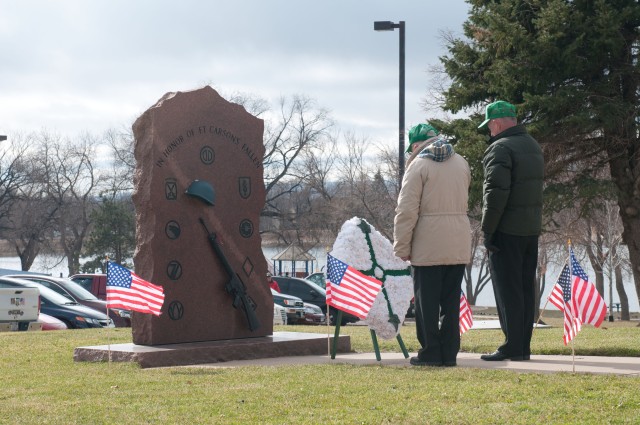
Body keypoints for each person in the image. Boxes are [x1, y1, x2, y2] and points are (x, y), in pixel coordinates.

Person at [394, 124, 471, 367]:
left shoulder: (418, 166)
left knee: (426, 304)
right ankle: (449, 354)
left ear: (416, 146)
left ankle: (430, 352)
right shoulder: (461, 162)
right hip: (457, 242)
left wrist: (401, 247)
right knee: (450, 303)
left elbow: (406, 211)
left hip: (428, 246)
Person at [478, 100, 544, 361]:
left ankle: (512, 346)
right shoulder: (533, 145)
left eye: (489, 126)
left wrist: (488, 230)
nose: (489, 132)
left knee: (508, 291)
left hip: (507, 231)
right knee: (525, 290)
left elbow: (495, 194)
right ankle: (522, 346)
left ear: (496, 123)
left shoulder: (500, 148)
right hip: (530, 231)